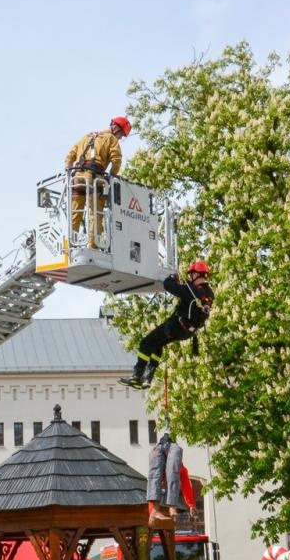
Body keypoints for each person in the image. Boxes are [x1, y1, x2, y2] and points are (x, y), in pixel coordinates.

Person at [120, 260, 214, 389]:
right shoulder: (209, 293)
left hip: (177, 326)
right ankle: (147, 378)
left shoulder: (191, 290)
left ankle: (137, 376)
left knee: (146, 343)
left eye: (192, 274)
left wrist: (172, 277)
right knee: (157, 344)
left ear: (196, 274)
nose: (190, 277)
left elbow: (168, 285)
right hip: (188, 332)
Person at [64, 115, 129, 249]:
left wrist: (68, 173)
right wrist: (111, 177)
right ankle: (93, 246)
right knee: (95, 214)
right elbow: (116, 161)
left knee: (75, 214)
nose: (120, 138)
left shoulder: (87, 137)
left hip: (77, 179)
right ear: (117, 129)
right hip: (93, 179)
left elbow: (69, 156)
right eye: (122, 135)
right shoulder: (111, 139)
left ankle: (70, 245)